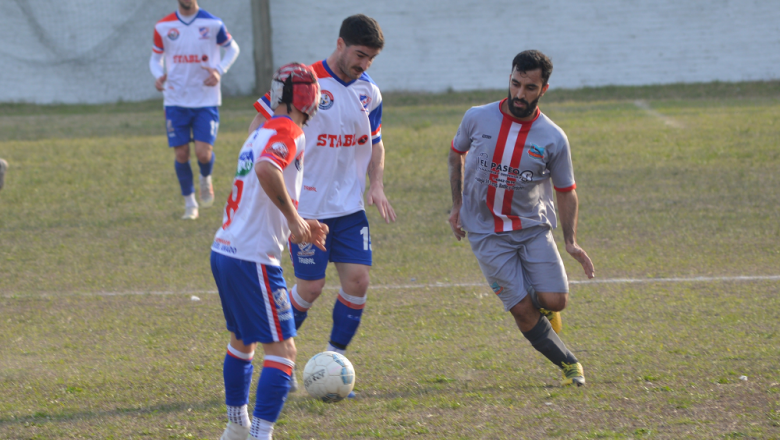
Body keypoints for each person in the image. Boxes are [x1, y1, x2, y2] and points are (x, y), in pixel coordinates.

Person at [249, 14, 396, 393]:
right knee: (310, 287)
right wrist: (253, 164)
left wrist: (376, 184)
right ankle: (278, 355)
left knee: (359, 281)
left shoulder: (369, 92)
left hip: (348, 208)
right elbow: (260, 122)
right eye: (360, 55)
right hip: (306, 209)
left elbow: (375, 142)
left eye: (370, 59)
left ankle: (332, 362)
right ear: (340, 43)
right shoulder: (304, 81)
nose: (363, 65)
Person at [448, 50, 595, 386]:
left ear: (543, 89)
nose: (519, 94)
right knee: (521, 310)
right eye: (515, 83)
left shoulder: (553, 138)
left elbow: (566, 189)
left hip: (531, 228)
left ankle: (541, 298)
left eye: (530, 87)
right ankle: (570, 364)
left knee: (555, 300)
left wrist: (570, 241)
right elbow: (456, 155)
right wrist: (457, 206)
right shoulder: (476, 117)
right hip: (485, 233)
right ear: (510, 77)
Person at [211, 63, 327, 440]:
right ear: (306, 97)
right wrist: (294, 220)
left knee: (242, 341)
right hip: (252, 258)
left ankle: (236, 426)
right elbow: (266, 170)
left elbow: (263, 188)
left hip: (226, 250)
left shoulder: (259, 132)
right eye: (314, 92)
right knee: (284, 353)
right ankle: (260, 435)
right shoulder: (288, 130)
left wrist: (301, 222)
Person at [150, 0, 240, 219]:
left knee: (203, 153)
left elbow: (233, 49)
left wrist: (219, 70)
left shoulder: (213, 23)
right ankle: (190, 203)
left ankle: (205, 178)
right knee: (181, 153)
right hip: (175, 100)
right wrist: (158, 76)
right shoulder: (163, 26)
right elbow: (155, 58)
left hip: (205, 100)